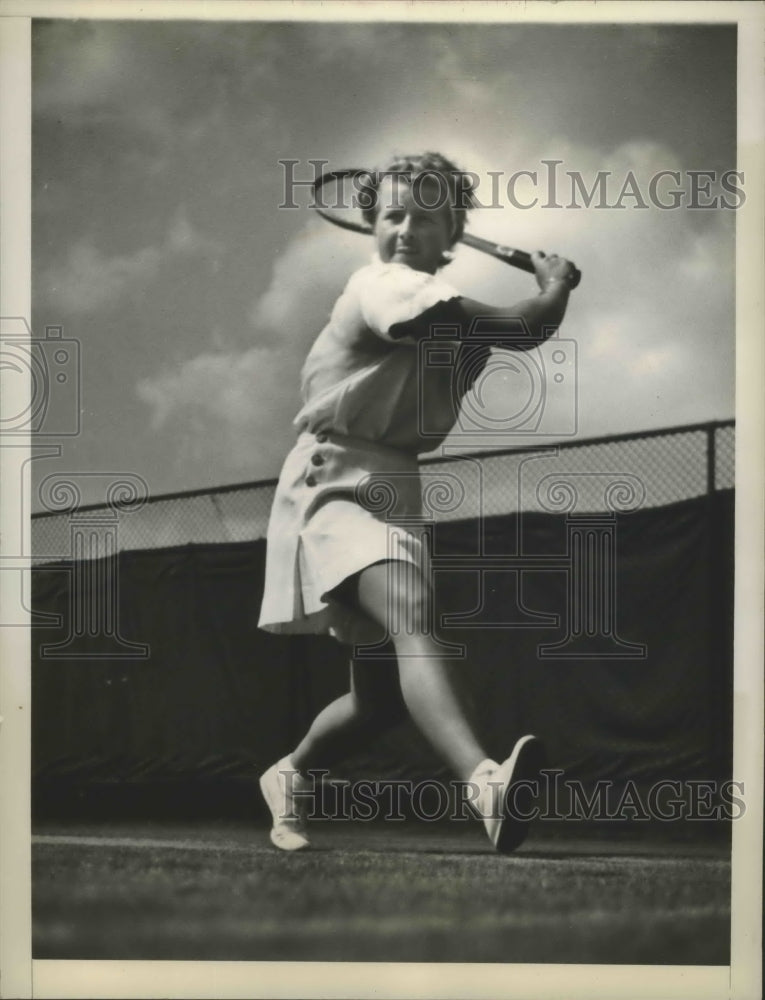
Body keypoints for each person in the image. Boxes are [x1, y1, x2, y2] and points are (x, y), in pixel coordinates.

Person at [258, 152, 578, 853]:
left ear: (452, 233)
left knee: (376, 704)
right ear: (371, 226)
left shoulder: (447, 327)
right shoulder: (380, 285)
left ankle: (288, 774)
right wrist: (553, 289)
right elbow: (528, 323)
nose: (403, 229)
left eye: (424, 217)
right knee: (412, 616)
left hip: (396, 487)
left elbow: (503, 344)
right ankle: (483, 783)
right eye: (390, 215)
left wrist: (543, 306)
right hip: (333, 479)